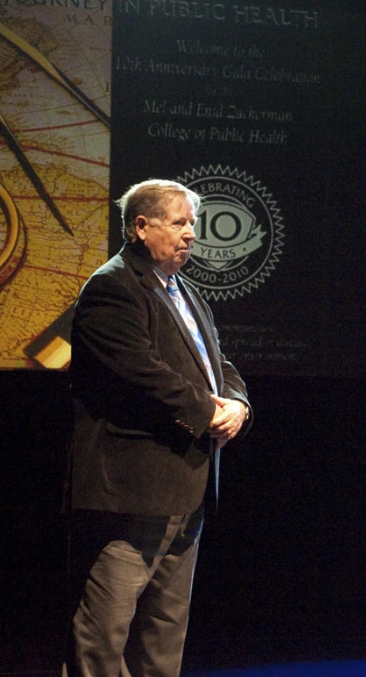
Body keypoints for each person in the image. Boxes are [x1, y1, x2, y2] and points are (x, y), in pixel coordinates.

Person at [64, 179, 252, 677]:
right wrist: (206, 411)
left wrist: (236, 403)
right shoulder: (113, 287)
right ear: (141, 226)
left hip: (186, 490)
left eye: (194, 223)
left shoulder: (184, 291)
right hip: (132, 491)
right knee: (104, 635)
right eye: (179, 222)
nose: (192, 233)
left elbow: (218, 363)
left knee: (163, 637)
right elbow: (138, 371)